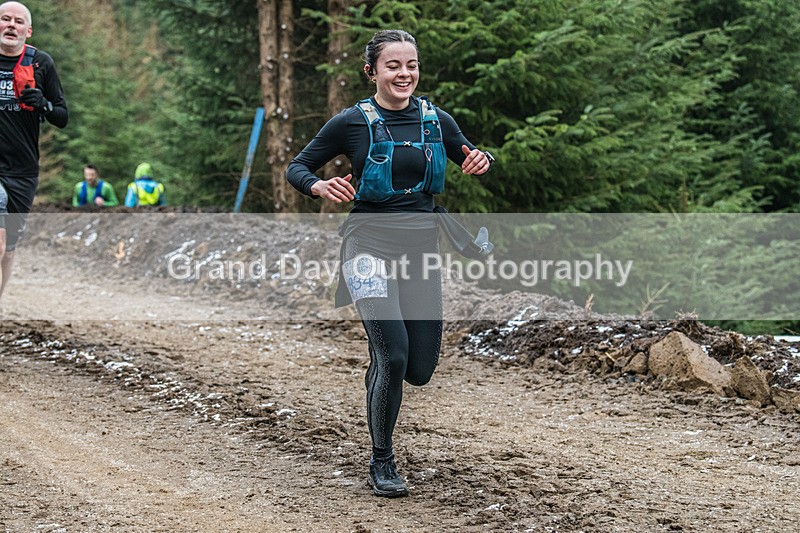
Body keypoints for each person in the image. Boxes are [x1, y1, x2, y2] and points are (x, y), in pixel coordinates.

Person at [286, 29, 493, 497]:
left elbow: (474, 154)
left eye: (412, 65)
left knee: (418, 368)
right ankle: (383, 461)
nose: (405, 74)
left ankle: (380, 372)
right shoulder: (351, 122)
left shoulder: (436, 119)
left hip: (420, 249)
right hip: (366, 247)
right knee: (393, 354)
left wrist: (482, 161)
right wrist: (318, 187)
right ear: (372, 71)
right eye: (393, 66)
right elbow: (297, 167)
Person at [0, 1, 68, 300]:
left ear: (28, 31)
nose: (11, 25)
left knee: (8, 251)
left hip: (23, 170)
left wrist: (44, 104)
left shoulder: (41, 63)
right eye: (5, 19)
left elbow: (62, 116)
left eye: (18, 21)